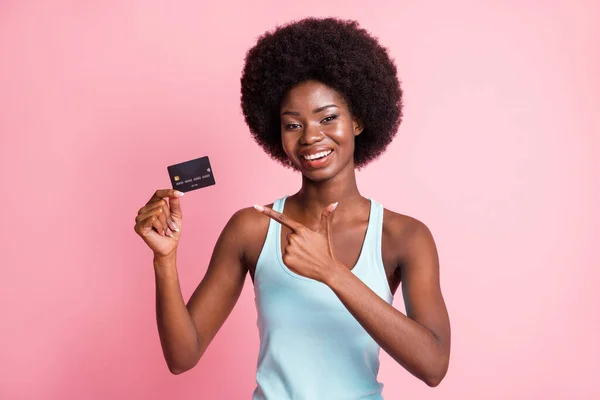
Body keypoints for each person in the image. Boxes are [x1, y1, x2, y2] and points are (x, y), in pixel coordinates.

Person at [134, 17, 450, 399]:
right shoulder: (251, 229)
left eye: (328, 117)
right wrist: (165, 260)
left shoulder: (404, 237)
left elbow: (433, 366)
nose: (311, 136)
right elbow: (182, 356)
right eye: (293, 125)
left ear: (359, 122)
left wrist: (330, 271)